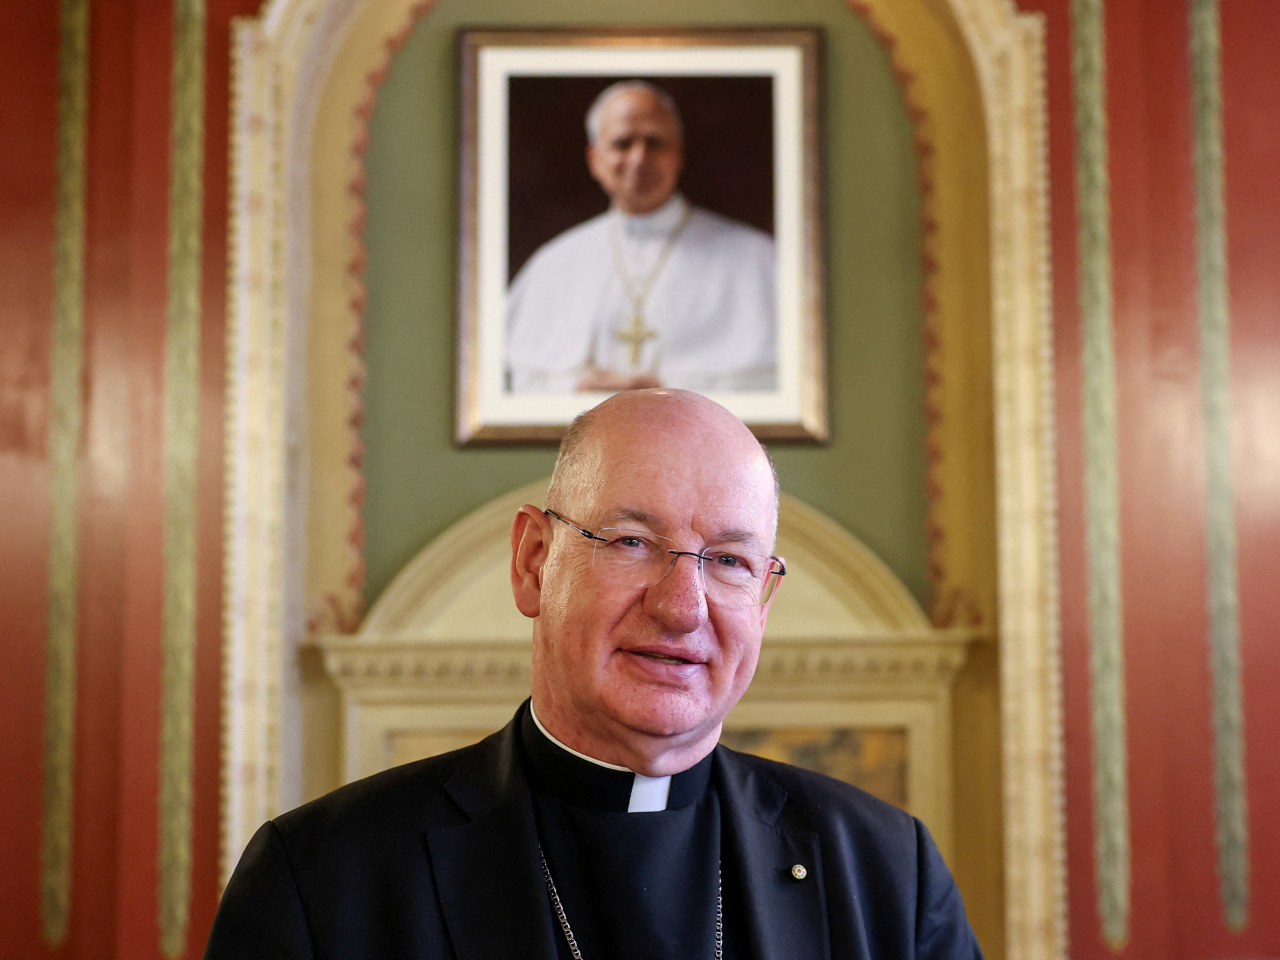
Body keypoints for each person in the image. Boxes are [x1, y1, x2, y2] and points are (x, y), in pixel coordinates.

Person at [204, 390, 983, 959]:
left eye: (729, 561)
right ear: (533, 563)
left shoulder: (889, 872)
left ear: (764, 601)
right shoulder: (322, 879)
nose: (683, 607)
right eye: (630, 542)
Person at [506, 81, 777, 394]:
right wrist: (575, 388)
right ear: (594, 159)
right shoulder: (554, 263)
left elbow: (777, 384)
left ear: (678, 154)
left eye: (654, 142)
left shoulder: (757, 259)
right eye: (622, 144)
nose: (639, 158)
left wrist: (672, 390)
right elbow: (511, 382)